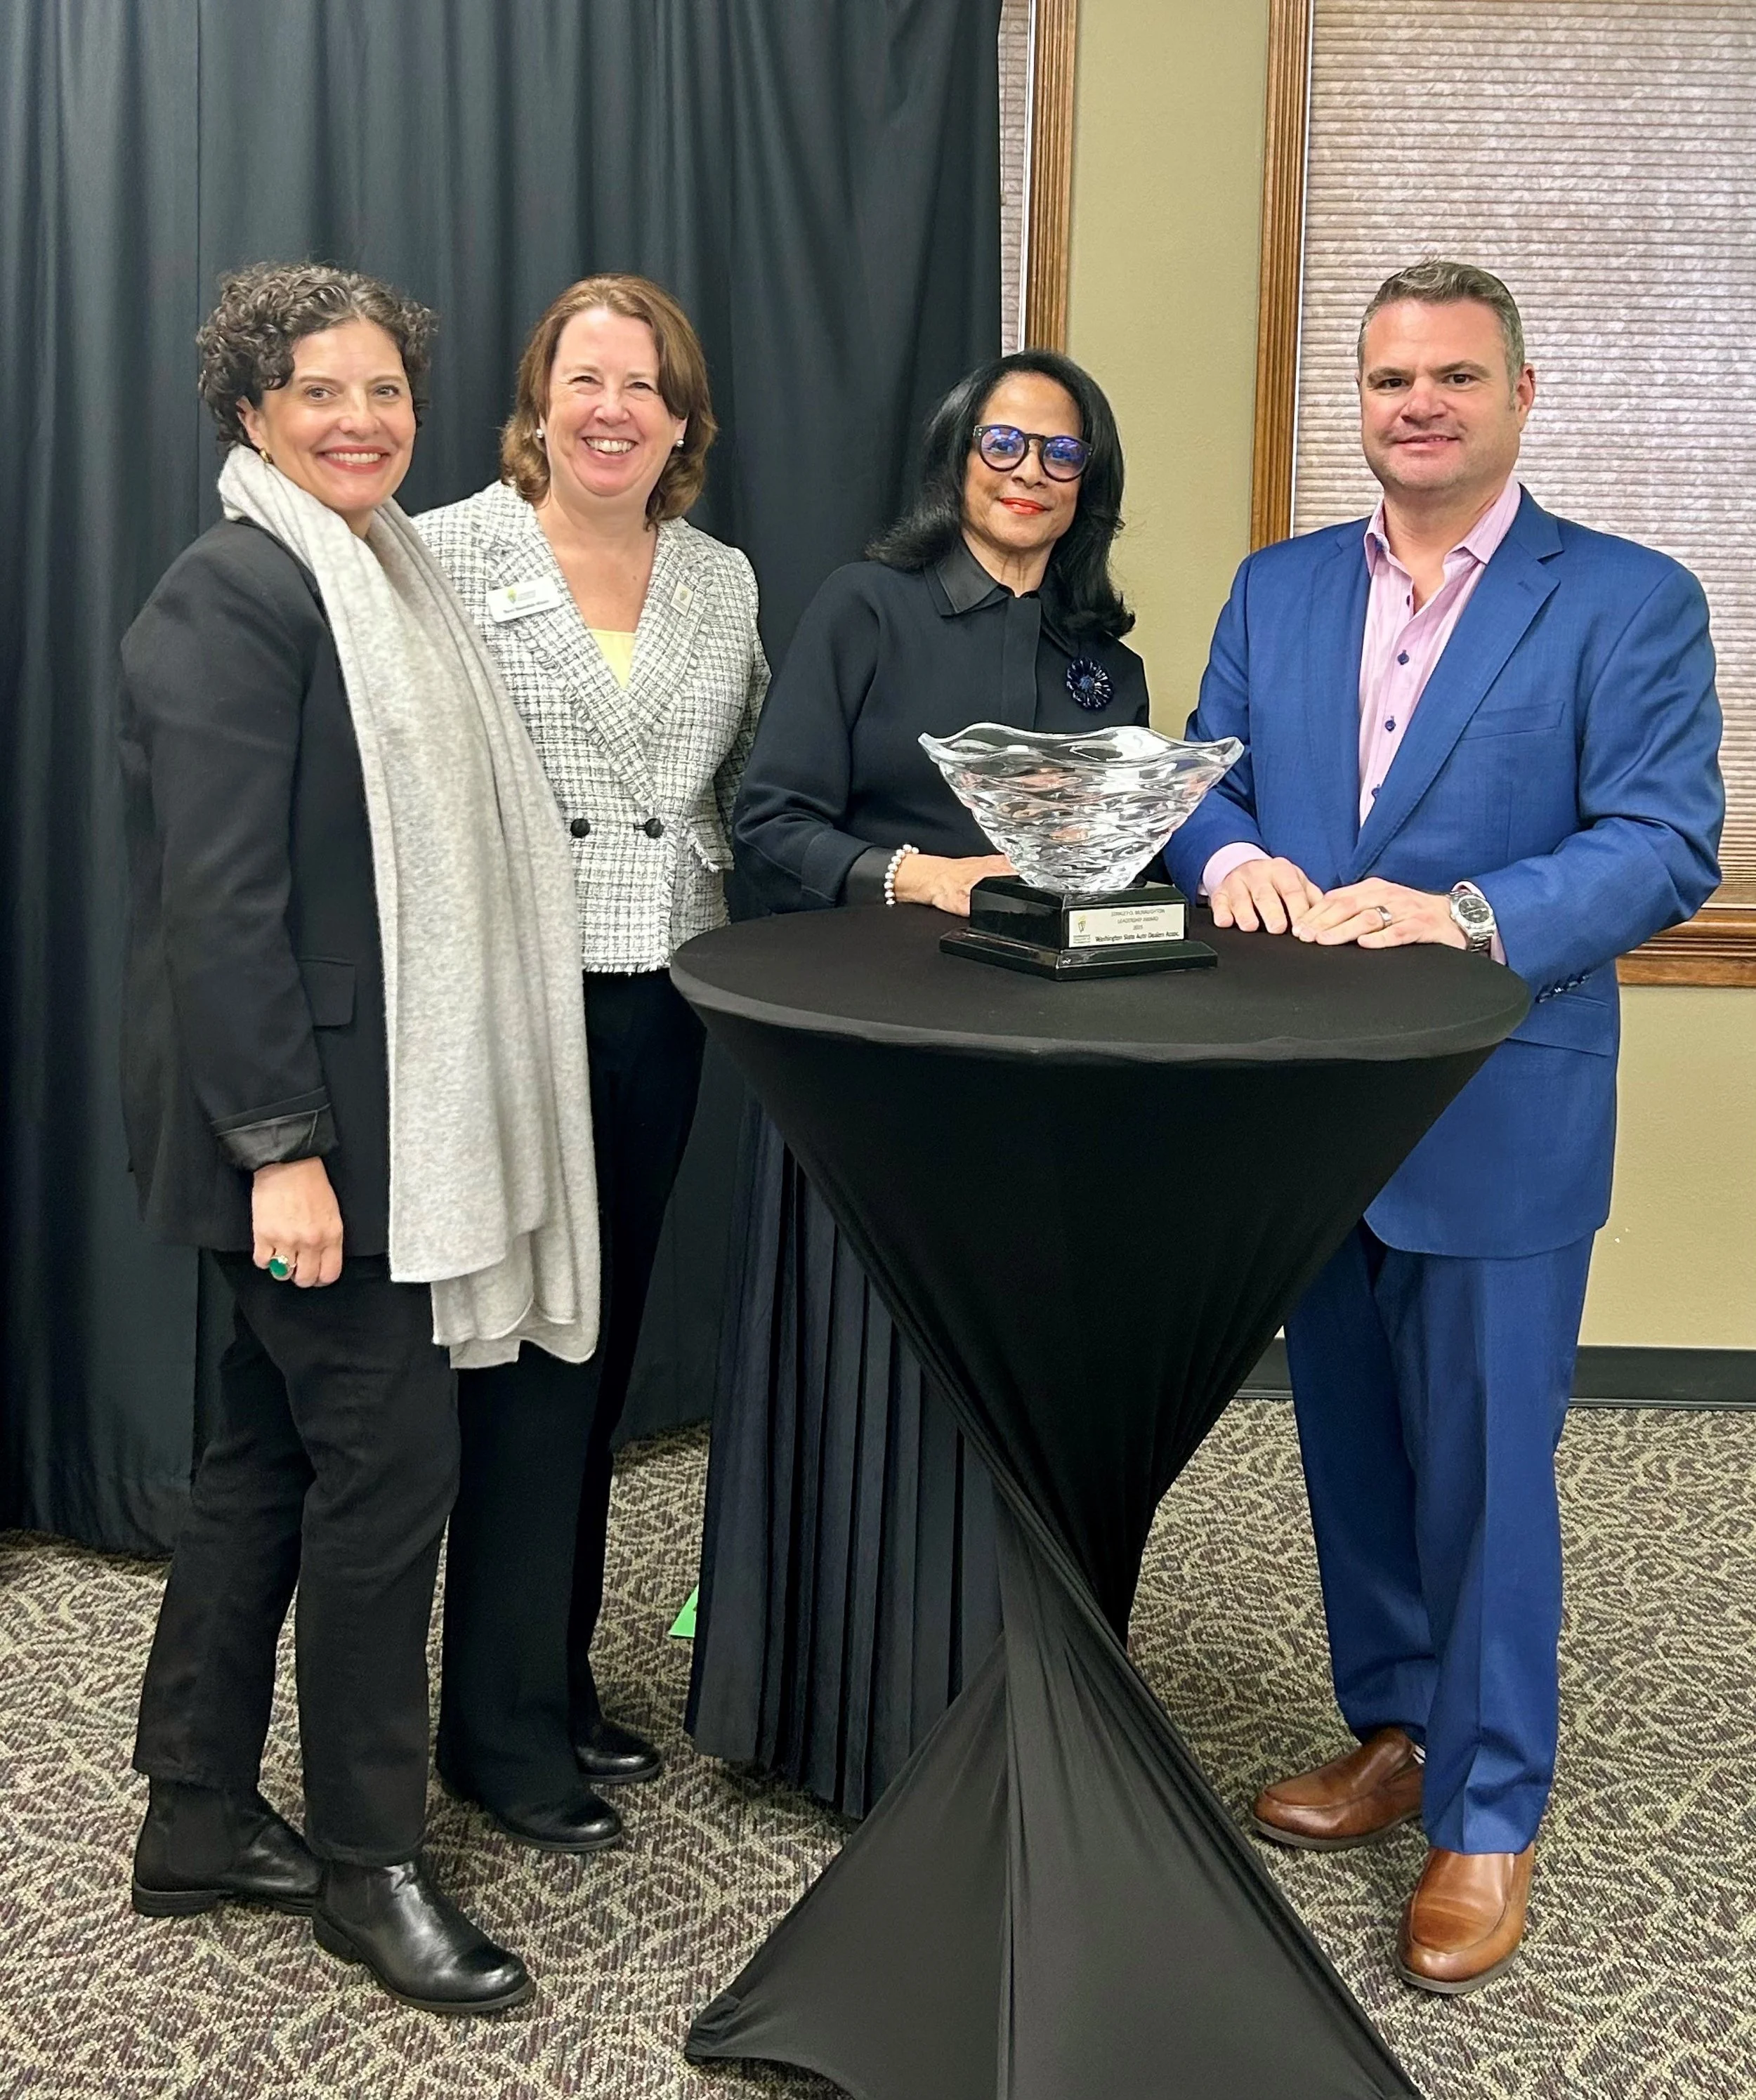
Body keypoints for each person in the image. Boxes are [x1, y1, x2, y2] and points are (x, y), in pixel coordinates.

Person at [1166, 261, 1724, 1993]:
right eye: (1388, 375)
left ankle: (1487, 1813)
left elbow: (1661, 839)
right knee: (1349, 1453)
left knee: (1487, 1474)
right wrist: (1228, 852)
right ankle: (1392, 1729)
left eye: (1452, 376)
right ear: (1359, 397)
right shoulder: (1274, 588)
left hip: (1498, 1104)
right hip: (1308, 1117)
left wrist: (1460, 912)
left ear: (1518, 396)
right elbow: (1208, 772)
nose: (1416, 402)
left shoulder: (1626, 600)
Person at [121, 263, 600, 2014]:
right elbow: (221, 911)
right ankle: (366, 1862)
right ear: (251, 409)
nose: (360, 420)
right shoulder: (233, 596)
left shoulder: (391, 579)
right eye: (320, 391)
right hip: (314, 1144)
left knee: (264, 1464)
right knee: (390, 1480)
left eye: (385, 390)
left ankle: (191, 1816)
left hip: (379, 1128)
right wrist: (283, 1152)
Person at [690, 349, 1151, 1813]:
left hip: (1038, 1077)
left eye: (1058, 456)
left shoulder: (1104, 657)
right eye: (1002, 446)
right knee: (862, 1379)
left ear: (1090, 485)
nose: (1027, 476)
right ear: (955, 457)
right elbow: (767, 819)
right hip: (866, 1061)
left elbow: (1117, 847)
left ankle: (1005, 1697)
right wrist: (913, 872)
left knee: (1000, 1386)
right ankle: (836, 1713)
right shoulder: (864, 607)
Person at [417, 275, 766, 1851]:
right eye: (585, 380)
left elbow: (747, 789)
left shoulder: (720, 580)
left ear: (683, 422)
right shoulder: (442, 551)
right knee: (520, 1362)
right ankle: (490, 1730)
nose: (612, 409)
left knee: (603, 1354)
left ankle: (548, 1679)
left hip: (661, 999)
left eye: (645, 386)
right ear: (539, 400)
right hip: (513, 998)